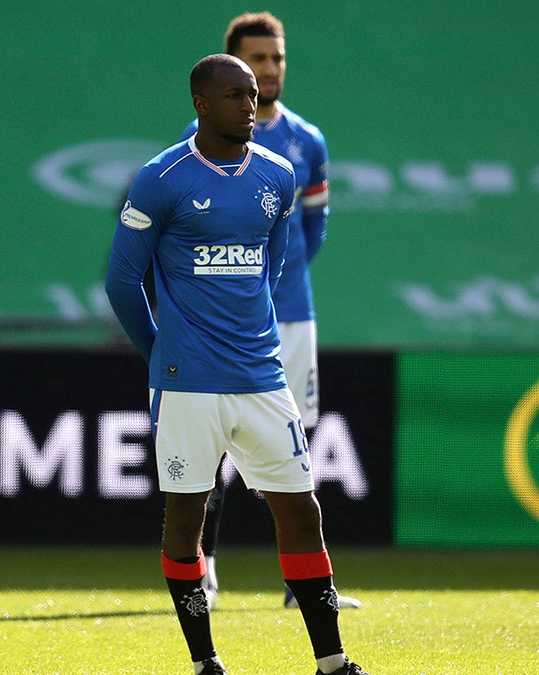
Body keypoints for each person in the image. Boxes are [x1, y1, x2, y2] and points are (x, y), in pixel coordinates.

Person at [105, 53, 367, 675]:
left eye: (253, 95)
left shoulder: (278, 174)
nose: (250, 106)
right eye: (234, 96)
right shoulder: (161, 177)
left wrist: (251, 336)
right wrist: (160, 355)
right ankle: (205, 662)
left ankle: (332, 662)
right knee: (185, 518)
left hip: (261, 380)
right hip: (186, 386)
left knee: (302, 510)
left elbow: (274, 265)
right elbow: (122, 281)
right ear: (200, 103)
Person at [179, 11, 361, 612]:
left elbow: (316, 224)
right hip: (224, 327)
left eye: (277, 59)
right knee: (217, 447)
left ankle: (300, 586)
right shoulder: (201, 143)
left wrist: (270, 280)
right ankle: (201, 572)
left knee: (296, 443)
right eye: (258, 59)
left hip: (292, 316)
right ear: (233, 66)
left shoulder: (307, 141)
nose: (270, 69)